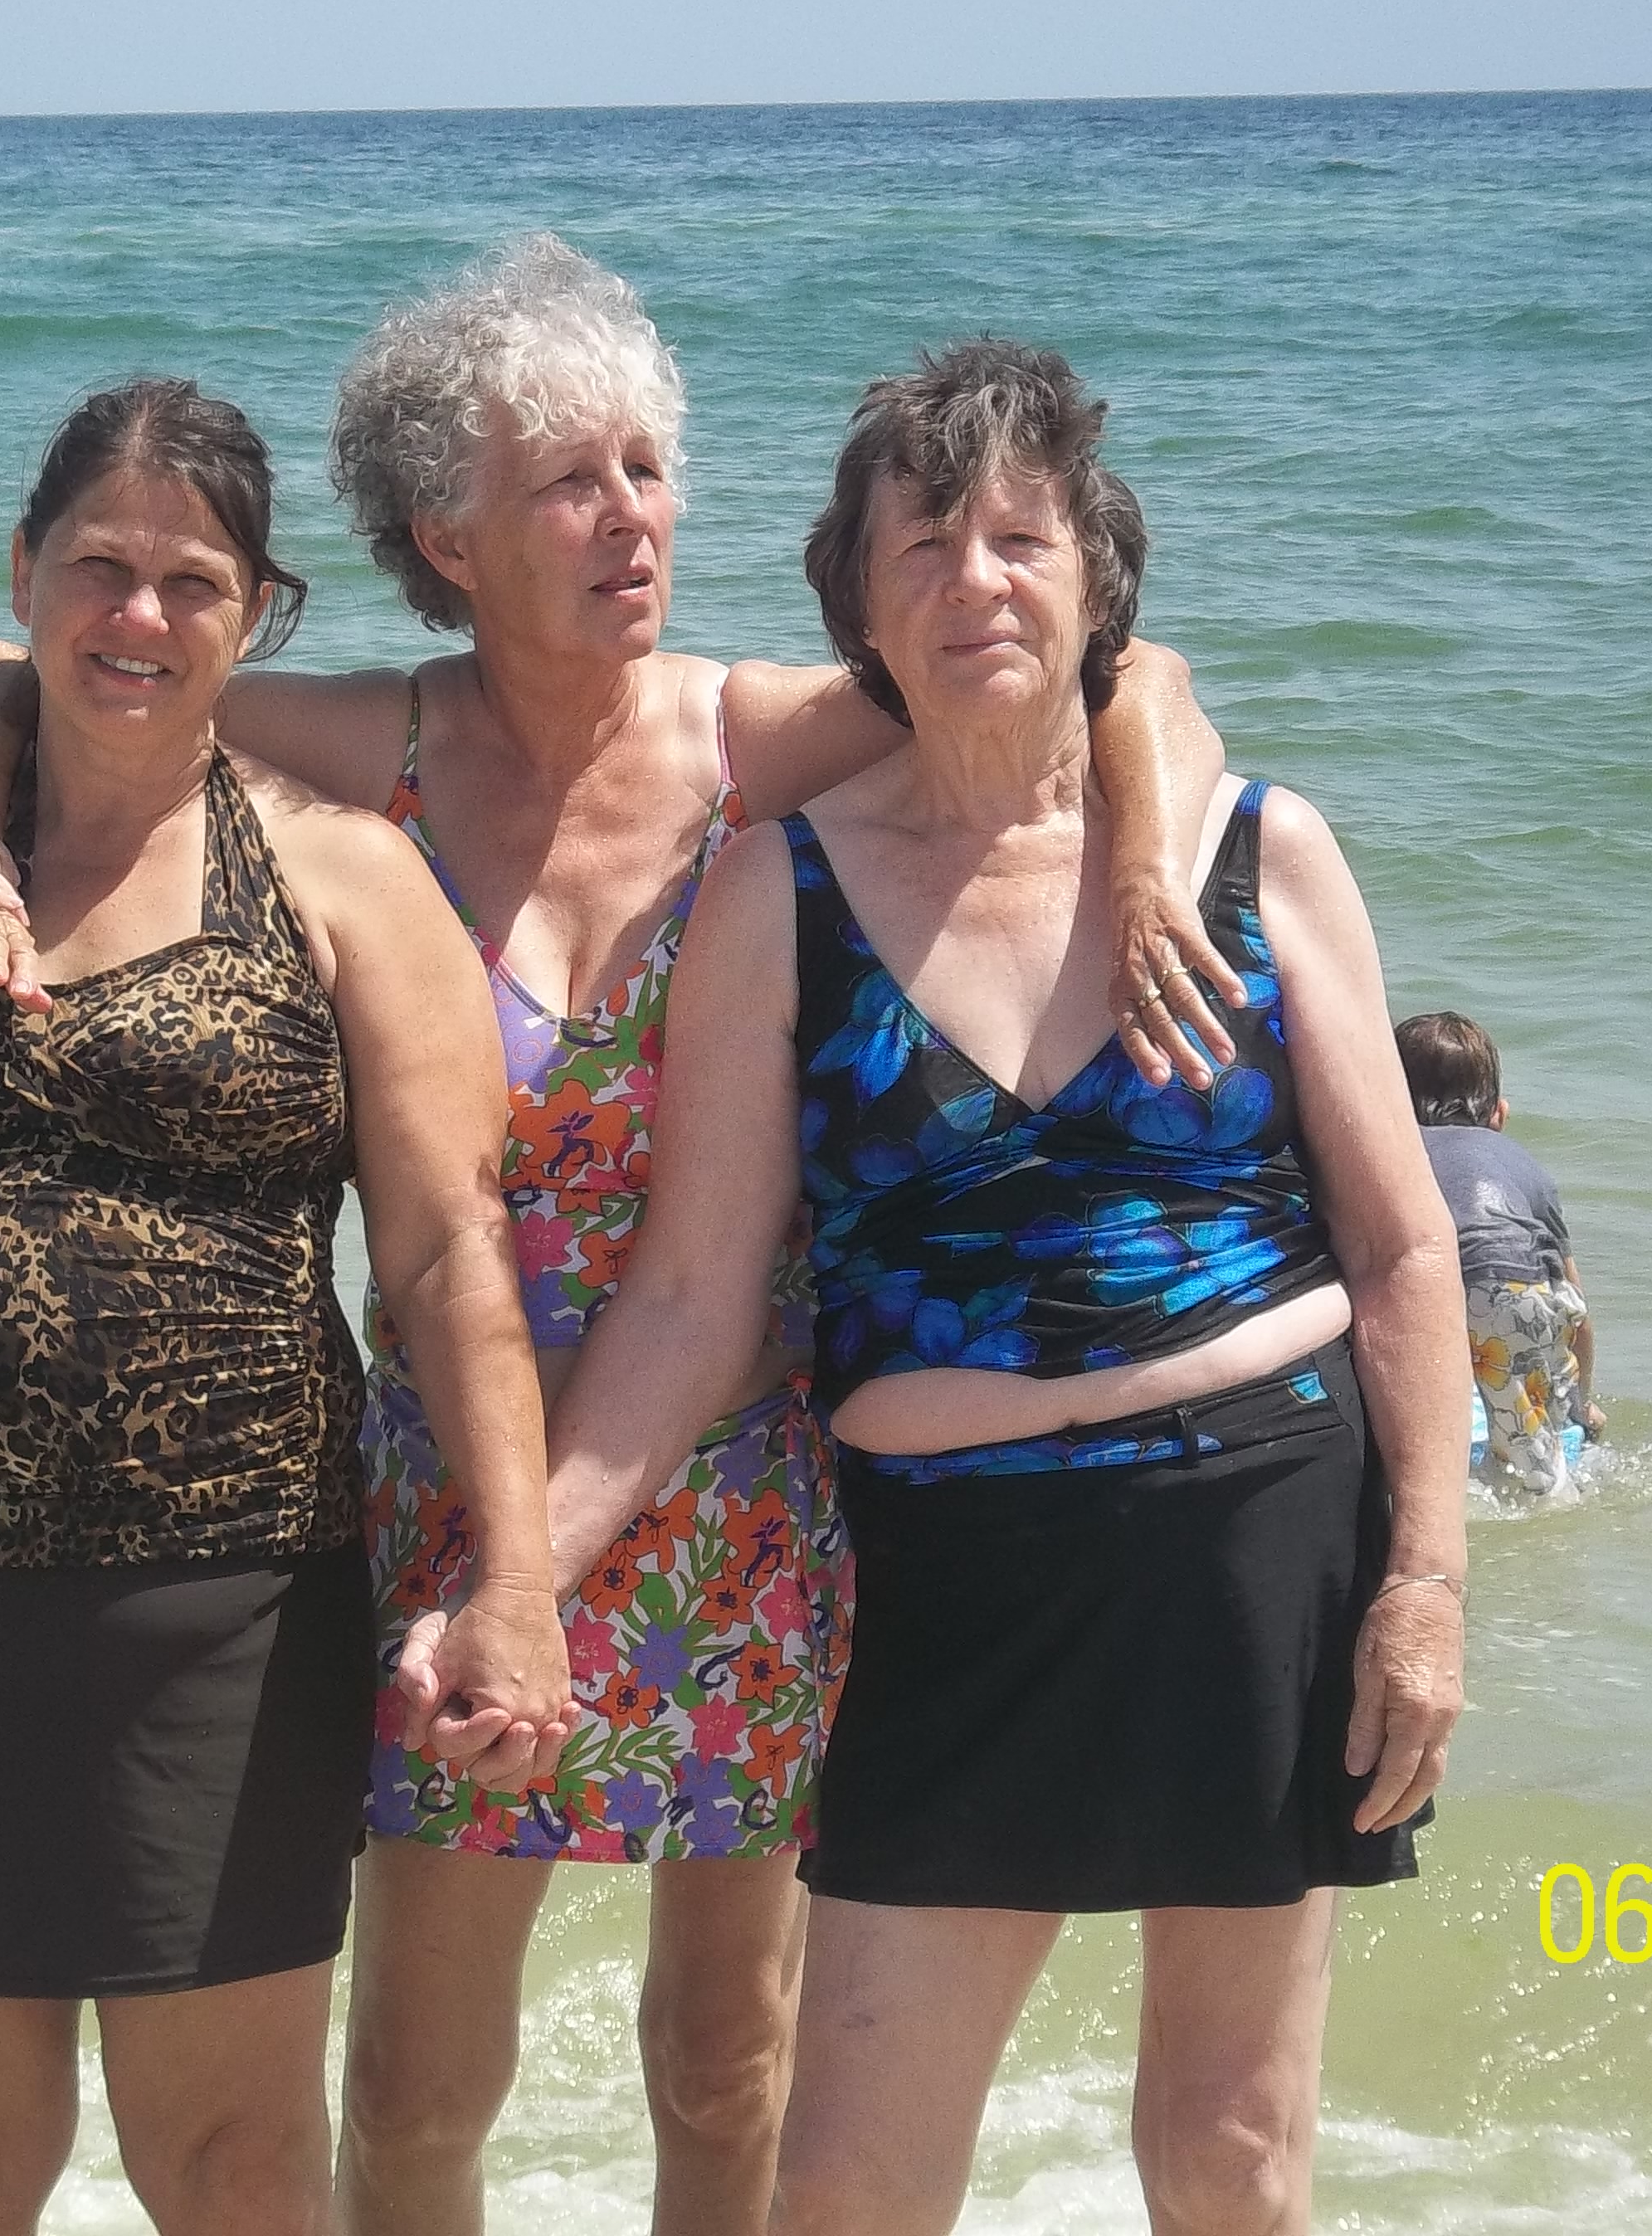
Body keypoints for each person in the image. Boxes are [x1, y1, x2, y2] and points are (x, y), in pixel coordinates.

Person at [0, 240, 1240, 2236]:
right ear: (447, 535)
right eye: (569, 482)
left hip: (744, 1478)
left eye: (647, 468)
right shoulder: (369, 753)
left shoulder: (753, 741)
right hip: (455, 1478)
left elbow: (1127, 675)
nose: (632, 518)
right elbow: (4, 683)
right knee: (418, 2083)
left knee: (723, 2054)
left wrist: (1140, 877)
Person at [490, 340, 1469, 2236]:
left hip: (1255, 1536)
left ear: (1096, 579)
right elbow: (690, 1301)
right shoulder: (776, 890)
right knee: (845, 2180)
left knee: (1229, 2156)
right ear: (855, 606)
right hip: (948, 1577)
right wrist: (522, 1576)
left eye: (1020, 539)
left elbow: (1403, 1245)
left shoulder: (1253, 851)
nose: (974, 581)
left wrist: (1422, 1582)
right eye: (921, 544)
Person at [0, 380, 570, 2236]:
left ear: (256, 616)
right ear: (24, 572)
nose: (137, 616)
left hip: (219, 1606)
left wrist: (519, 1584)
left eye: (192, 581)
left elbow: (449, 1256)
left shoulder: (337, 871)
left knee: (229, 2168)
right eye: (98, 567)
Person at [1397, 1010, 1601, 1496]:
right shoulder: (1528, 1169)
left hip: (1426, 1291)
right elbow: (1575, 1306)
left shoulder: (1394, 1151)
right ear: (1500, 1114)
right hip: (1518, 1298)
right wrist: (1582, 1404)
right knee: (1535, 1463)